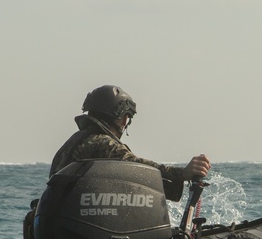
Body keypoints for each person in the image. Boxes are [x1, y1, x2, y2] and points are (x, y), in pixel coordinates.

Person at [49, 85, 210, 201]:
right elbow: (137, 168)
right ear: (123, 117)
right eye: (127, 117)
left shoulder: (71, 144)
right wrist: (182, 174)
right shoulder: (102, 144)